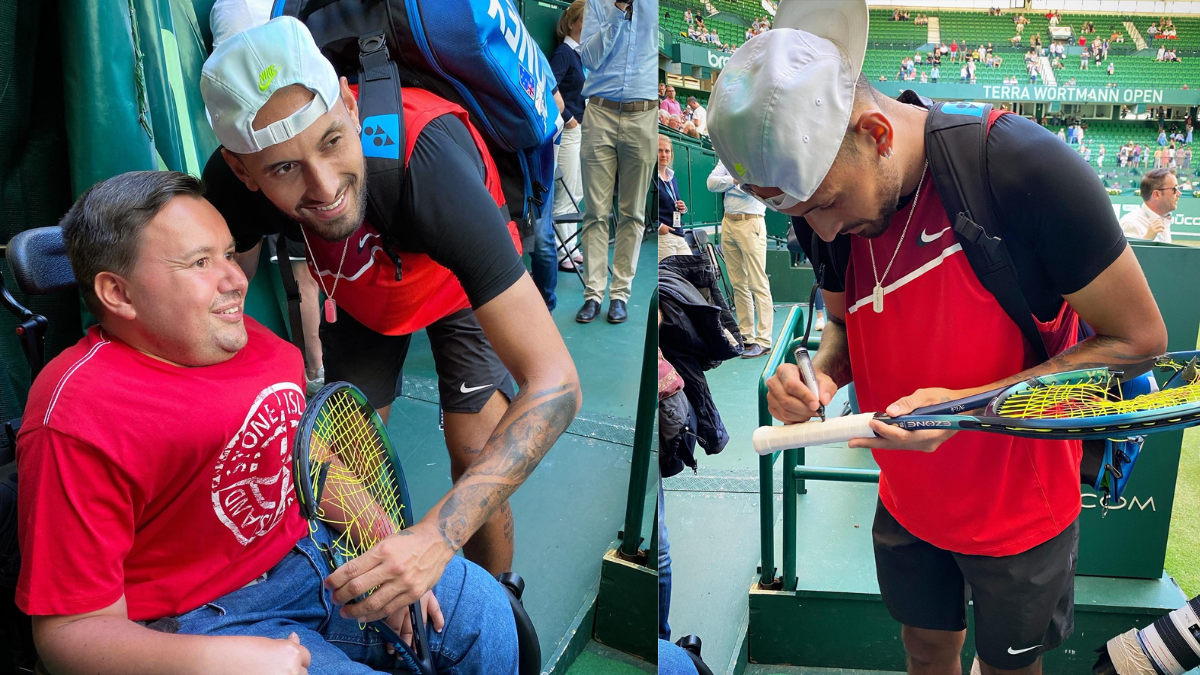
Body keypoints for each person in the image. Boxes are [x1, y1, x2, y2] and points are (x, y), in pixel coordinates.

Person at [708, 25, 1166, 675]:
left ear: (878, 133)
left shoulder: (1020, 167)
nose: (825, 230)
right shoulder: (825, 206)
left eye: (830, 203)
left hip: (1021, 511)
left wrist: (968, 408)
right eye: (803, 213)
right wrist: (816, 377)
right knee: (925, 653)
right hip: (906, 500)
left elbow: (1140, 342)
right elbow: (841, 327)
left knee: (1010, 669)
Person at [18, 170, 520, 675]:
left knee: (485, 612)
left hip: (316, 558)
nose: (236, 279)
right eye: (199, 262)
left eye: (229, 253)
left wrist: (385, 546)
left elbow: (306, 457)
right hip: (204, 620)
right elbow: (67, 633)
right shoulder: (76, 419)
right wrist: (214, 661)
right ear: (117, 293)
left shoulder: (250, 341)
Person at [199, 18, 580, 590]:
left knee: (476, 453)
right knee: (343, 465)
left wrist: (436, 538)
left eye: (331, 140)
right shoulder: (230, 189)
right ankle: (386, 606)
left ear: (351, 106)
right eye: (283, 168)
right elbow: (222, 322)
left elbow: (556, 382)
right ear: (241, 170)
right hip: (363, 291)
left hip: (456, 285)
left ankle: (501, 603)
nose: (324, 188)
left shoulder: (427, 159)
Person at [575, 0, 658, 324]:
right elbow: (589, 57)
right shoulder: (598, 4)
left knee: (633, 213)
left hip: (644, 115)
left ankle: (620, 294)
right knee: (595, 211)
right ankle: (593, 293)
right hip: (600, 112)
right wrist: (617, 10)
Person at [707, 160, 772, 358]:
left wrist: (727, 183)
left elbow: (753, 188)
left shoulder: (758, 159)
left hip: (751, 222)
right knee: (738, 283)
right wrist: (735, 180)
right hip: (728, 222)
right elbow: (711, 184)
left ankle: (764, 340)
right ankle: (746, 336)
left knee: (757, 283)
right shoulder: (727, 158)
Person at [551, 0, 588, 272]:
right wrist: (569, 120)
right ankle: (560, 251)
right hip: (569, 131)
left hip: (583, 130)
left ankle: (570, 247)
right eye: (586, 21)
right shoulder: (565, 52)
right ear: (573, 23)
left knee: (577, 191)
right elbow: (550, 88)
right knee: (565, 193)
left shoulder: (581, 54)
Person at [657, 135, 691, 260]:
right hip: (663, 236)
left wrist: (683, 209)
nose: (663, 155)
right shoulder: (650, 177)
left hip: (678, 233)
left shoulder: (672, 177)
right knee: (669, 277)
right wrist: (659, 226)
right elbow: (643, 206)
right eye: (659, 150)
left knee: (690, 273)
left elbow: (672, 202)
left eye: (667, 151)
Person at [1121, 168, 1178, 243]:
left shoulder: (1164, 219)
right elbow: (1125, 254)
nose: (1179, 193)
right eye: (1174, 189)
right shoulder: (1131, 223)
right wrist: (1147, 239)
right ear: (1156, 194)